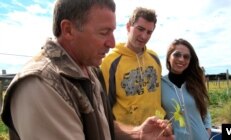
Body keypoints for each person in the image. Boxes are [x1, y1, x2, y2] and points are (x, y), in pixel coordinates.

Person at [0, 0, 174, 140]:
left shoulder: (89, 70)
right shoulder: (41, 85)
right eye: (104, 32)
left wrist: (137, 134)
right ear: (68, 30)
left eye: (112, 32)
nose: (112, 43)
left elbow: (101, 125)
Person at [100, 7, 165, 126]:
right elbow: (105, 108)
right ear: (128, 26)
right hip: (129, 134)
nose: (144, 36)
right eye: (140, 29)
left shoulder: (154, 58)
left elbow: (159, 97)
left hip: (157, 130)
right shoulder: (110, 62)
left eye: (149, 32)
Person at [161, 38, 211, 140]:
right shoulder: (160, 85)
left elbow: (205, 110)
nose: (181, 59)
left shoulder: (195, 82)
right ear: (168, 57)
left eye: (186, 57)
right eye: (177, 54)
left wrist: (207, 131)